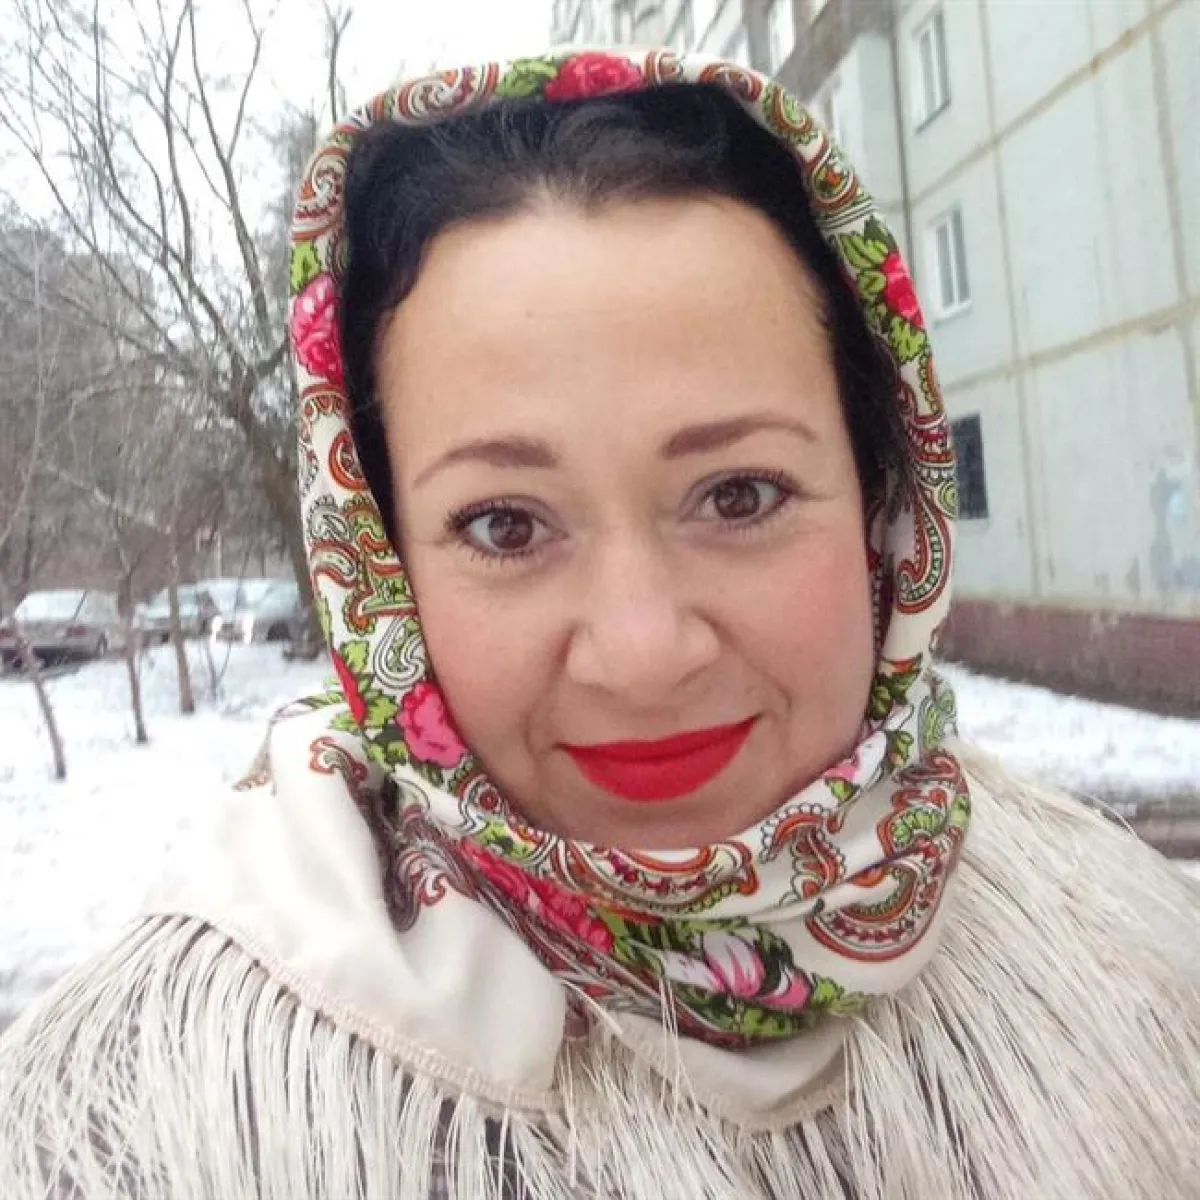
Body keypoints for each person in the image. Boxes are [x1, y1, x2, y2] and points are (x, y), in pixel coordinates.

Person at [1, 48, 1197, 1200]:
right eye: (506, 525)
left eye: (740, 496)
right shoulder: (153, 1123)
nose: (642, 653)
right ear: (382, 562)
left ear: (884, 500)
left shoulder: (1132, 978)